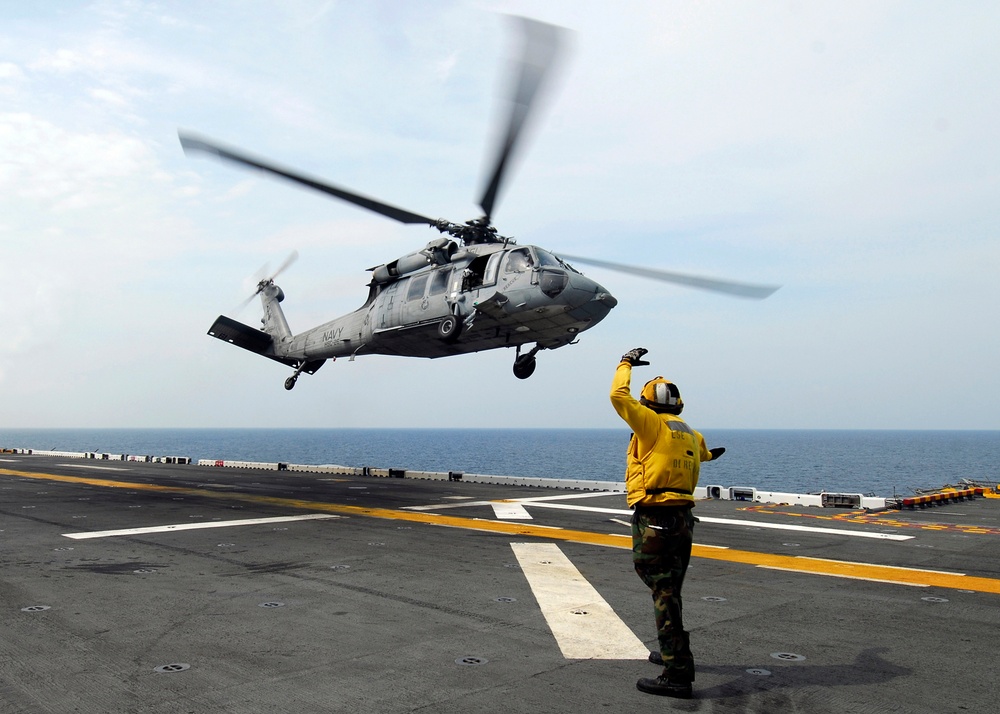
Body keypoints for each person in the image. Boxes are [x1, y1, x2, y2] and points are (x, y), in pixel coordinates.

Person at [610, 347, 725, 699]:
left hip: (657, 516)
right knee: (670, 588)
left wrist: (625, 364)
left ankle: (677, 674)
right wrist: (710, 456)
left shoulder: (651, 423)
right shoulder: (689, 432)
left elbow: (618, 396)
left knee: (662, 589)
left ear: (648, 403)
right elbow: (703, 453)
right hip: (683, 519)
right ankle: (671, 650)